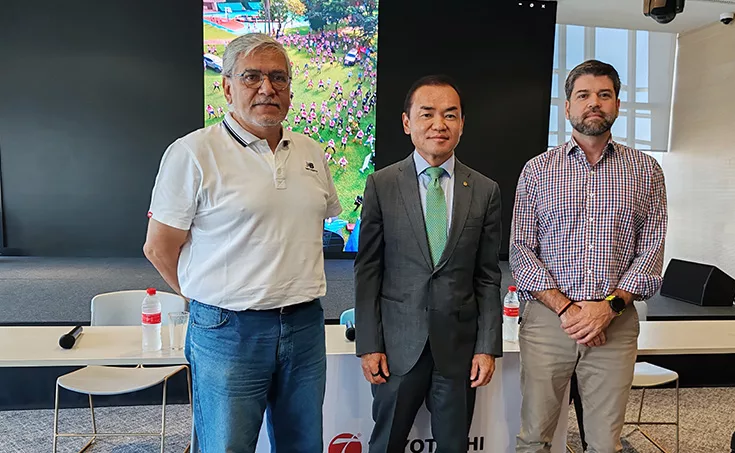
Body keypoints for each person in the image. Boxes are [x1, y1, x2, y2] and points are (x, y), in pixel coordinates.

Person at [143, 33, 341, 453]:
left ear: (290, 88)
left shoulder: (311, 151)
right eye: (252, 77)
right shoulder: (193, 152)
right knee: (226, 446)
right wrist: (208, 301)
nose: (267, 88)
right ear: (227, 87)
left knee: (304, 445)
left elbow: (312, 221)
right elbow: (159, 247)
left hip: (304, 325)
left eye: (278, 78)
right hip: (228, 331)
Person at [510, 60, 668, 453]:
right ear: (567, 107)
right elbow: (521, 250)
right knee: (534, 438)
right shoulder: (537, 171)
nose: (593, 103)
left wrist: (607, 309)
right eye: (583, 95)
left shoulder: (646, 171)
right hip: (549, 323)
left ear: (617, 105)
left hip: (615, 325)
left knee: (604, 444)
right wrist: (568, 310)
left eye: (604, 95)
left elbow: (651, 251)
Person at [355, 75, 503, 453]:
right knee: (385, 445)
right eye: (427, 114)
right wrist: (369, 344)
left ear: (462, 124)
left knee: (454, 446)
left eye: (450, 115)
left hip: (457, 351)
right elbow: (368, 270)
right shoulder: (381, 185)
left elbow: (487, 277)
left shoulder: (484, 190)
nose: (439, 124)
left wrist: (487, 347)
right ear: (407, 123)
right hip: (396, 350)